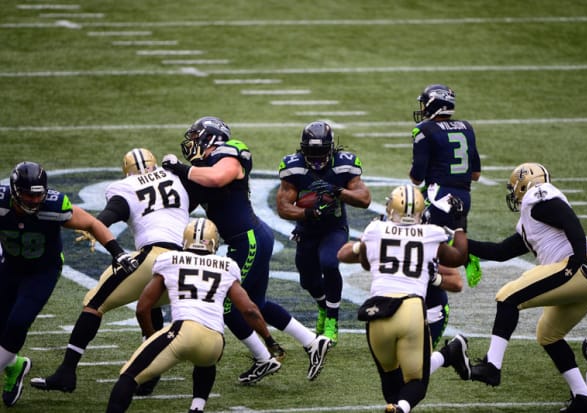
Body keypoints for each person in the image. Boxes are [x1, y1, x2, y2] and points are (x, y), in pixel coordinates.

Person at [162, 116, 331, 384]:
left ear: (211, 138)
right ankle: (312, 341)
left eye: (196, 137)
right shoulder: (201, 169)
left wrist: (180, 168)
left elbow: (219, 177)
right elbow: (184, 199)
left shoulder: (230, 152)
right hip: (248, 238)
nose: (191, 143)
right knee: (258, 304)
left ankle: (264, 357)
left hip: (248, 239)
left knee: (227, 306)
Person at [31, 148, 191, 396]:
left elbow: (113, 212)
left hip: (154, 257)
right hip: (185, 264)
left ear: (126, 170)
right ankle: (149, 372)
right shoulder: (176, 177)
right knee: (151, 304)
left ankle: (66, 371)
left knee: (94, 304)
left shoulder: (124, 186)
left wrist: (96, 225)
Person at [465, 162, 587, 413]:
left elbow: (567, 218)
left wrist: (576, 260)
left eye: (514, 188)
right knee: (548, 334)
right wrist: (462, 243)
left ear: (524, 184)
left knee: (507, 296)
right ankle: (583, 398)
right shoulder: (532, 219)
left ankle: (492, 366)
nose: (513, 194)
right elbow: (499, 252)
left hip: (578, 267)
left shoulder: (539, 196)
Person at [106, 217, 285, 413]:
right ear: (214, 242)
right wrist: (268, 340)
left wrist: (151, 335)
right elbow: (249, 310)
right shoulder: (227, 265)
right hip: (215, 342)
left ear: (185, 240)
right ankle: (197, 407)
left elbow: (143, 307)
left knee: (129, 376)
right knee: (205, 362)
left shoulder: (169, 260)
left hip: (183, 331)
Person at [0, 161, 138, 407]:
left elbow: (92, 224)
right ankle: (15, 366)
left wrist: (118, 252)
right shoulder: (2, 203)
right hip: (9, 266)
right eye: (29, 195)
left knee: (18, 321)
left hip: (42, 271)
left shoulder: (53, 206)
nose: (34, 201)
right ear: (14, 191)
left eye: (38, 195)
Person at [337, 184, 469, 413]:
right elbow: (459, 257)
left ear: (391, 207)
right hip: (411, 308)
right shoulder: (430, 233)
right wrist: (459, 226)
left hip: (378, 311)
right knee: (417, 382)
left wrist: (365, 245)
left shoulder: (376, 229)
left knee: (390, 382)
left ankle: (398, 406)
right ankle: (402, 408)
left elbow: (344, 255)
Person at [276, 120, 371, 345]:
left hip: (334, 227)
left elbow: (365, 199)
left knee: (329, 262)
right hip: (307, 228)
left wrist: (338, 191)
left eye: (321, 152)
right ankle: (322, 305)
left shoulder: (344, 165)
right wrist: (308, 214)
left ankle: (332, 319)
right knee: (307, 280)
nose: (316, 158)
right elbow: (283, 207)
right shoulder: (293, 167)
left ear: (331, 149)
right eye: (311, 152)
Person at [409, 83, 482, 350]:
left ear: (433, 104)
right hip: (463, 196)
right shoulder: (467, 127)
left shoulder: (424, 130)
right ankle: (466, 252)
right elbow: (475, 174)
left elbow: (417, 175)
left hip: (439, 196)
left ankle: (438, 307)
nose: (421, 108)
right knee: (443, 237)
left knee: (426, 249)